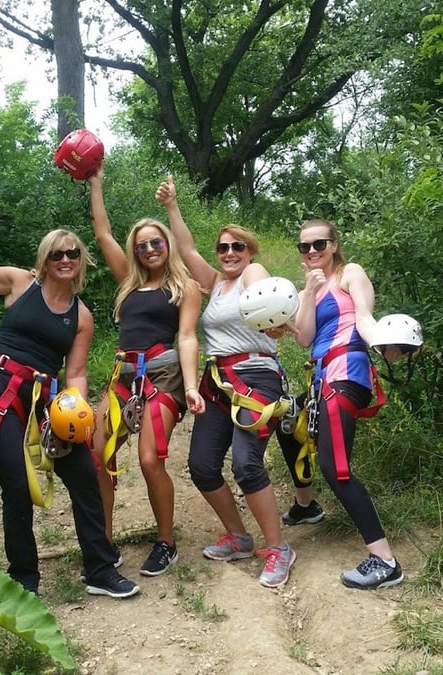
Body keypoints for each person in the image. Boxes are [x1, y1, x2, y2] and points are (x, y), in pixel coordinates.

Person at [0, 200, 139, 599]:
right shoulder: (20, 283)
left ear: (81, 260)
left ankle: (100, 569)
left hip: (47, 396)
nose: (65, 258)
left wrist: (76, 410)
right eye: (57, 253)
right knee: (16, 482)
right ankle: (24, 580)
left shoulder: (81, 315)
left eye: (72, 252)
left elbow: (76, 372)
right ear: (46, 259)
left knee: (84, 474)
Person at [156, 176, 297, 588]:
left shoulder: (254, 273)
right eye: (224, 247)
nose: (230, 252)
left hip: (257, 375)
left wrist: (275, 322)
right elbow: (185, 248)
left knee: (246, 463)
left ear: (250, 251)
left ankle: (278, 548)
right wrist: (172, 206)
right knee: (201, 465)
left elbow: (265, 297)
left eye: (238, 246)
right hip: (217, 377)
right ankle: (238, 536)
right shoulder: (216, 283)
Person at [85, 167, 204, 577]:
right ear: (134, 252)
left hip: (162, 376)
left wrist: (190, 386)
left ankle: (166, 542)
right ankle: (102, 542)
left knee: (150, 460)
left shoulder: (184, 287)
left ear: (166, 245)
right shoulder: (129, 283)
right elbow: (102, 233)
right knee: (97, 454)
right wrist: (96, 182)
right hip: (122, 377)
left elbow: (187, 337)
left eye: (156, 243)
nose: (150, 249)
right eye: (142, 245)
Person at [275, 218, 404, 590]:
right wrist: (310, 293)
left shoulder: (351, 272)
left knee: (336, 468)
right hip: (322, 377)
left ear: (333, 245)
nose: (312, 251)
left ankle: (385, 560)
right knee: (289, 421)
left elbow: (363, 318)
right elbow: (305, 339)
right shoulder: (308, 291)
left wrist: (382, 343)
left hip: (345, 371)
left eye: (319, 244)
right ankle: (306, 505)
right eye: (305, 247)